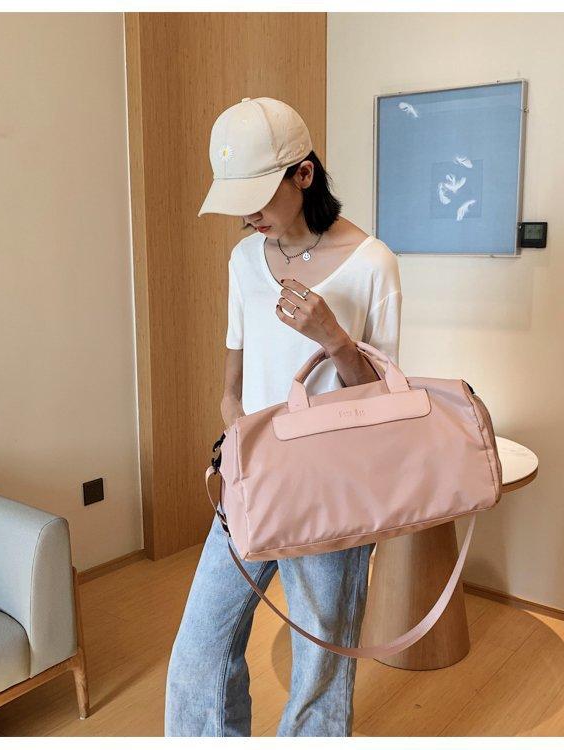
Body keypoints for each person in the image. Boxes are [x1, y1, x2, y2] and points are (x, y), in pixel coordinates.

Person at [164, 97, 402, 737]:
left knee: (319, 672)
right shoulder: (244, 260)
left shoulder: (373, 263)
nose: (247, 215)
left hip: (332, 492)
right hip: (252, 481)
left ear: (304, 174)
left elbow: (384, 406)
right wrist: (235, 447)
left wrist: (335, 340)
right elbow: (232, 386)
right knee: (198, 653)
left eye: (258, 196)